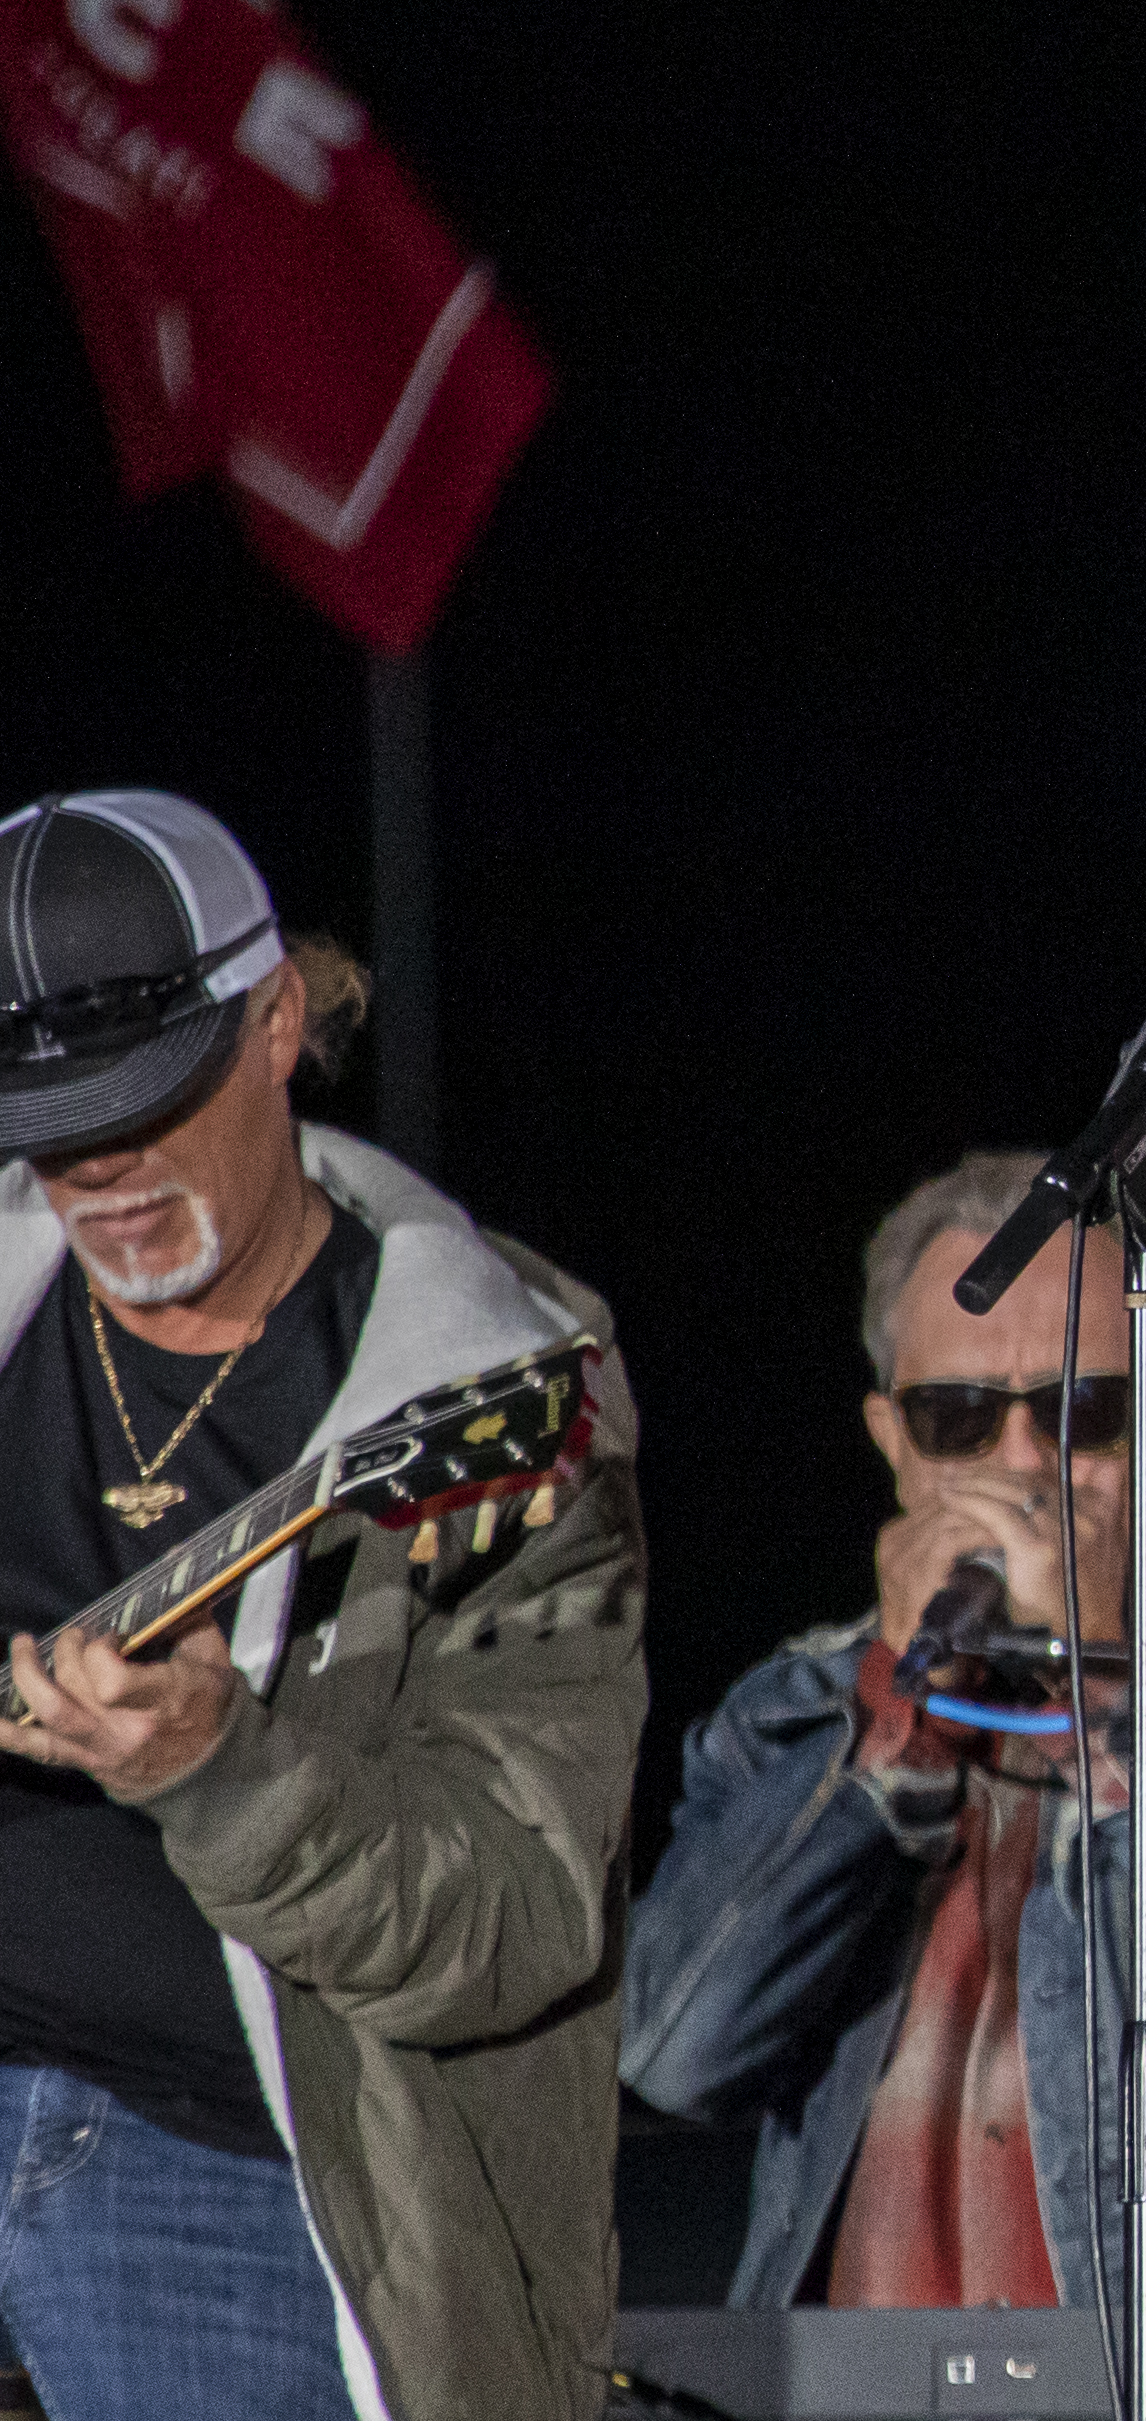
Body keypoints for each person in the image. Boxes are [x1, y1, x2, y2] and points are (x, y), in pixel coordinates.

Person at [0, 790, 649, 2421]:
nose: (107, 1171)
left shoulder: (489, 1387)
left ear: (279, 1016)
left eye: (151, 1100)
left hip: (225, 2157)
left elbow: (512, 1922)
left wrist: (223, 1773)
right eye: (56, 1124)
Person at [622, 1152, 1146, 2312]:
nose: (1022, 1464)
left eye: (1080, 1413)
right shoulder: (803, 1712)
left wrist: (1099, 1688)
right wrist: (890, 1734)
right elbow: (675, 2050)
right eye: (958, 1419)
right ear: (893, 1440)